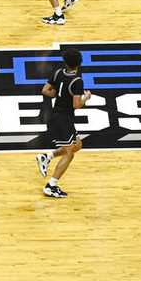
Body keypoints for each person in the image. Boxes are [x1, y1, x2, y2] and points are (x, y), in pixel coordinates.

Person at [35, 49, 92, 198]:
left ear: (65, 62)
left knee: (77, 145)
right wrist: (86, 98)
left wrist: (56, 94)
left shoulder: (58, 72)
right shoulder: (77, 81)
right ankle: (51, 185)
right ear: (79, 63)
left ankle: (47, 156)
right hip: (63, 119)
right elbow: (76, 105)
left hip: (59, 116)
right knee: (69, 153)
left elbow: (45, 90)